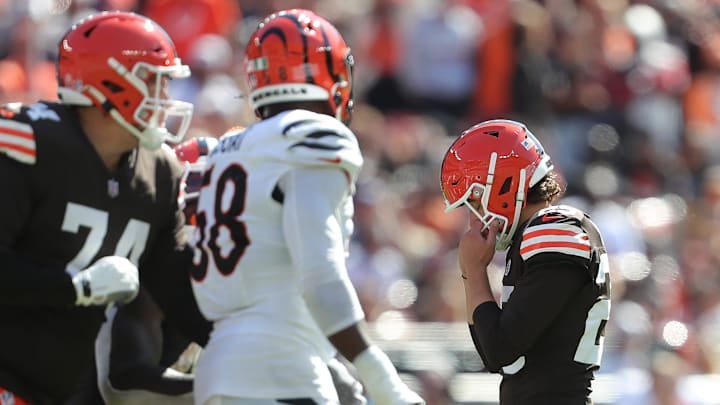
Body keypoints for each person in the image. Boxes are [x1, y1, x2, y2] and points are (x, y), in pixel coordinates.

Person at [189, 8, 424, 405]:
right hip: (283, 372)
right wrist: (383, 381)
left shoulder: (223, 152)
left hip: (219, 371)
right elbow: (319, 272)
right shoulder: (312, 135)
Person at [0, 11, 211, 404]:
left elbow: (178, 294)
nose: (165, 98)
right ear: (110, 82)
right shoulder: (30, 144)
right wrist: (74, 288)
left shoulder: (159, 172)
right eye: (154, 81)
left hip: (59, 389)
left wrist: (250, 350)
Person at [439, 119, 612, 405]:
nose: (474, 218)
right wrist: (472, 274)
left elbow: (499, 349)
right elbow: (490, 351)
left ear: (503, 185)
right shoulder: (536, 234)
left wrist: (474, 270)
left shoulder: (555, 228)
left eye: (476, 202)